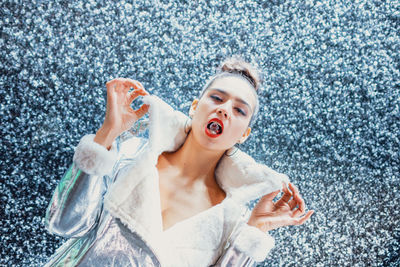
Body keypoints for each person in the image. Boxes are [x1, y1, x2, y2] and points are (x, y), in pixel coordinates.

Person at [44, 56, 314, 266]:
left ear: (243, 135)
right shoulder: (132, 154)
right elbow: (63, 223)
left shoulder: (231, 220)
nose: (224, 109)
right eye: (217, 98)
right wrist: (107, 134)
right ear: (195, 107)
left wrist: (257, 228)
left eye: (239, 110)